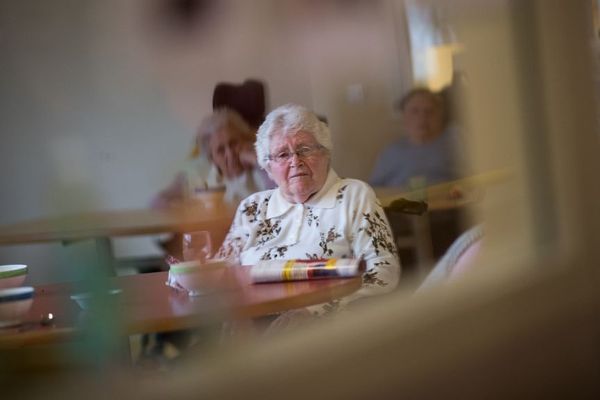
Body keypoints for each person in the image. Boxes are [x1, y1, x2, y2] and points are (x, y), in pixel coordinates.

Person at [215, 103, 400, 322]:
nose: (295, 161)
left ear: (325, 154)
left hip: (319, 328)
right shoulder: (252, 207)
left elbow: (384, 271)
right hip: (249, 324)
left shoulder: (353, 195)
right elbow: (221, 270)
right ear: (268, 167)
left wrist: (317, 311)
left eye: (304, 149)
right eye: (283, 154)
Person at [152, 108, 274, 209]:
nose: (230, 154)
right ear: (211, 156)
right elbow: (157, 202)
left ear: (244, 140)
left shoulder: (262, 165)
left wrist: (258, 162)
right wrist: (182, 211)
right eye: (221, 150)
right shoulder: (199, 171)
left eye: (234, 143)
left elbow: (282, 197)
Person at [369, 88, 465, 189]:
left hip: (446, 202)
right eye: (415, 111)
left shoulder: (455, 142)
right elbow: (373, 189)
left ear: (440, 116)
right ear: (404, 117)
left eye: (429, 111)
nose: (422, 117)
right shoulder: (391, 151)